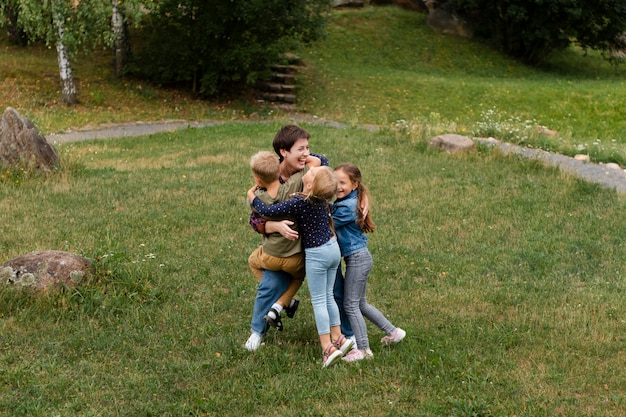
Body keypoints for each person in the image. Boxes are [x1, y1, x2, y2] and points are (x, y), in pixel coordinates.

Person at [248, 166, 353, 367]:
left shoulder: (299, 202)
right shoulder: (322, 198)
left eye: (313, 172)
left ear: (310, 184)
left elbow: (268, 210)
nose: (311, 168)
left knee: (320, 300)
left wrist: (252, 196)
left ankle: (327, 348)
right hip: (333, 248)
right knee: (329, 295)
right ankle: (339, 337)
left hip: (318, 253)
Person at [245, 125, 333, 351]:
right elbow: (254, 219)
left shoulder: (306, 174)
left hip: (310, 249)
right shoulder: (270, 176)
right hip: (283, 249)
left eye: (308, 148)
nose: (307, 154)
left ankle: (344, 333)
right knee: (269, 285)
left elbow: (324, 161)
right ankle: (258, 331)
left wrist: (305, 156)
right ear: (283, 152)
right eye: (300, 149)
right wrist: (273, 226)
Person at [331, 163, 406, 362]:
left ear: (354, 184)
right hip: (359, 258)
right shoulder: (350, 199)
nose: (338, 186)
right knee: (360, 303)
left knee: (350, 305)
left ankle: (363, 350)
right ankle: (393, 332)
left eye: (343, 183)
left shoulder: (347, 207)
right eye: (335, 182)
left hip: (357, 259)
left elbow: (328, 222)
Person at [247, 150, 318, 331]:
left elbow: (254, 218)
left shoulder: (258, 198)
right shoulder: (292, 187)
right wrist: (305, 156)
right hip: (294, 257)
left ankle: (285, 299)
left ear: (257, 180)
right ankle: (285, 300)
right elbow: (316, 165)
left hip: (270, 256)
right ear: (279, 172)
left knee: (252, 261)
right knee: (298, 277)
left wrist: (251, 195)